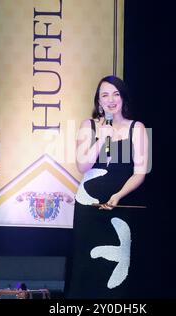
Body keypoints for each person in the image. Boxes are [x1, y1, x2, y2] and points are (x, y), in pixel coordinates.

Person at [66, 75, 149, 298]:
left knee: (118, 268)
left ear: (123, 97)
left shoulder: (137, 128)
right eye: (105, 95)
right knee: (86, 265)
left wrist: (119, 195)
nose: (111, 100)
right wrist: (102, 137)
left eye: (116, 94)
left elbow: (140, 172)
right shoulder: (89, 125)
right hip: (88, 206)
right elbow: (82, 166)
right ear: (98, 101)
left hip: (120, 205)